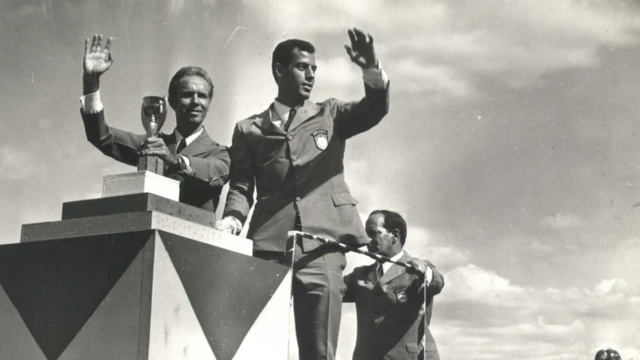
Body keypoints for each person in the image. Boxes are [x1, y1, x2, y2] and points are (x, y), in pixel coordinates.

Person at [216, 28, 390, 360]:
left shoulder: (331, 113)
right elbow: (240, 186)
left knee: (319, 351)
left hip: (323, 247)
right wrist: (232, 219)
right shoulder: (248, 129)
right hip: (268, 248)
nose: (310, 75)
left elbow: (374, 109)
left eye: (313, 69)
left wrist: (371, 69)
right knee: (257, 346)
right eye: (301, 67)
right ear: (279, 70)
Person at [79, 34, 230, 213]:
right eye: (187, 95)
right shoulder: (153, 143)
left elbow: (211, 172)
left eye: (202, 96)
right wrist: (91, 82)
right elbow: (101, 136)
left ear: (209, 103)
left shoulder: (221, 154)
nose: (196, 101)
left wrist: (174, 160)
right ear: (172, 102)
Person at [343, 210, 444, 360]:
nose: (367, 240)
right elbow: (329, 288)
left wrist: (425, 271)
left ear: (395, 236)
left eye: (373, 233)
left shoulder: (416, 270)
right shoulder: (360, 275)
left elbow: (437, 282)